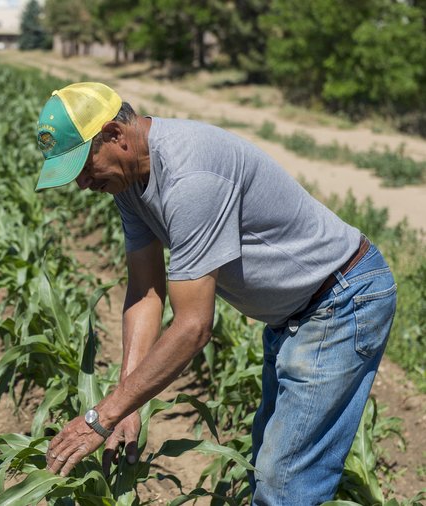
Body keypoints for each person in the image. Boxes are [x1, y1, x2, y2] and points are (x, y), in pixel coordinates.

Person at [34, 82, 397, 504]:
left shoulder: (191, 176)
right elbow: (145, 290)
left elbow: (192, 327)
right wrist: (127, 402)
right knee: (269, 468)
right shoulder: (128, 181)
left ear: (115, 136)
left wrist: (104, 413)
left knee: (285, 484)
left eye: (82, 164)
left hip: (340, 302)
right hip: (295, 314)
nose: (81, 183)